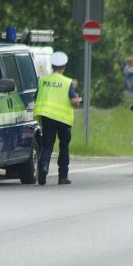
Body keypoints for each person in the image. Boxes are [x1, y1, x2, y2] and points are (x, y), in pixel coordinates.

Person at [34, 51, 82, 185]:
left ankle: (43, 168)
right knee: (64, 147)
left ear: (52, 66)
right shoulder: (67, 82)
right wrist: (77, 100)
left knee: (47, 145)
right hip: (63, 120)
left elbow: (36, 97)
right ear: (64, 67)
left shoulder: (43, 80)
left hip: (47, 118)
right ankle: (62, 177)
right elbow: (73, 101)